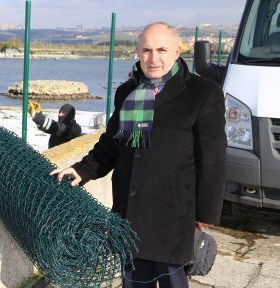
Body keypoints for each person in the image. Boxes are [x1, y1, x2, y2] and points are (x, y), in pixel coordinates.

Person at [50, 22, 226, 288]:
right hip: (130, 215)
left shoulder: (202, 94)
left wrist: (206, 212)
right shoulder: (126, 93)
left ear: (177, 51)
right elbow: (112, 144)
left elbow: (213, 157)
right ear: (137, 51)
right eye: (146, 50)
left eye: (161, 50)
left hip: (173, 217)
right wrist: (82, 169)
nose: (153, 59)